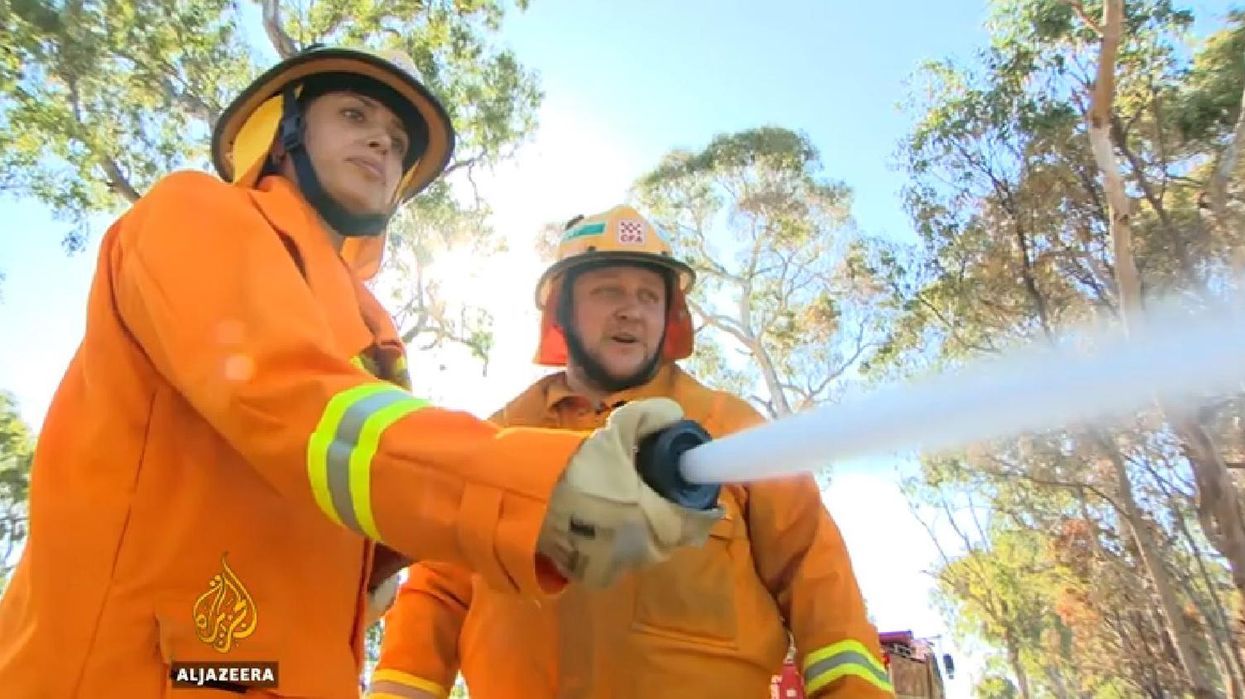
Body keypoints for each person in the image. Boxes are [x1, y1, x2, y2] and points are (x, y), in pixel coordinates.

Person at [0, 48, 718, 697]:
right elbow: (294, 403)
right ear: (282, 135)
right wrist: (538, 484)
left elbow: (363, 518)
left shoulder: (368, 324)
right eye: (353, 114)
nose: (383, 140)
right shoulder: (195, 212)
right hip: (136, 672)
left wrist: (546, 521)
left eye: (398, 140)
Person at [369, 206, 896, 698]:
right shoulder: (499, 437)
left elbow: (817, 575)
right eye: (607, 291)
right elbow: (437, 593)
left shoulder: (732, 429)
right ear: (562, 311)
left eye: (649, 295)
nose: (631, 311)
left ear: (669, 316)